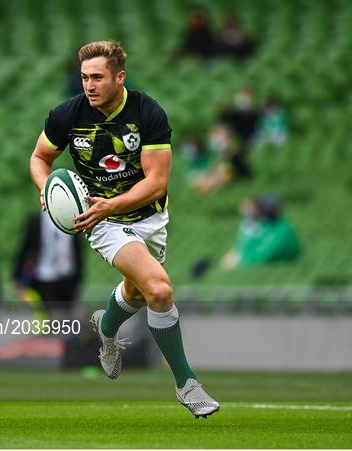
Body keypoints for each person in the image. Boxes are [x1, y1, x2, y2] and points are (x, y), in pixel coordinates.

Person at [30, 41, 219, 418]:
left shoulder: (148, 113)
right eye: (84, 77)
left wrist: (112, 204)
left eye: (98, 77)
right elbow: (40, 158)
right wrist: (46, 191)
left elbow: (157, 183)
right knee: (159, 290)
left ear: (120, 77)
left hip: (148, 217)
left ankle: (106, 328)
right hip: (102, 222)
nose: (89, 85)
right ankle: (187, 383)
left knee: (136, 291)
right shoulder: (66, 115)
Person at [13, 211, 84, 318]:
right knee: (47, 316)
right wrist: (18, 278)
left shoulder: (72, 221)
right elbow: (25, 248)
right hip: (43, 276)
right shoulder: (35, 221)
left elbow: (77, 251)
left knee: (66, 318)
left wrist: (78, 277)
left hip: (67, 277)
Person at [221, 195, 301, 270]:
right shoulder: (277, 226)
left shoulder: (273, 229)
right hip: (282, 259)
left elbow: (263, 255)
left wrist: (240, 262)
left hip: (270, 260)